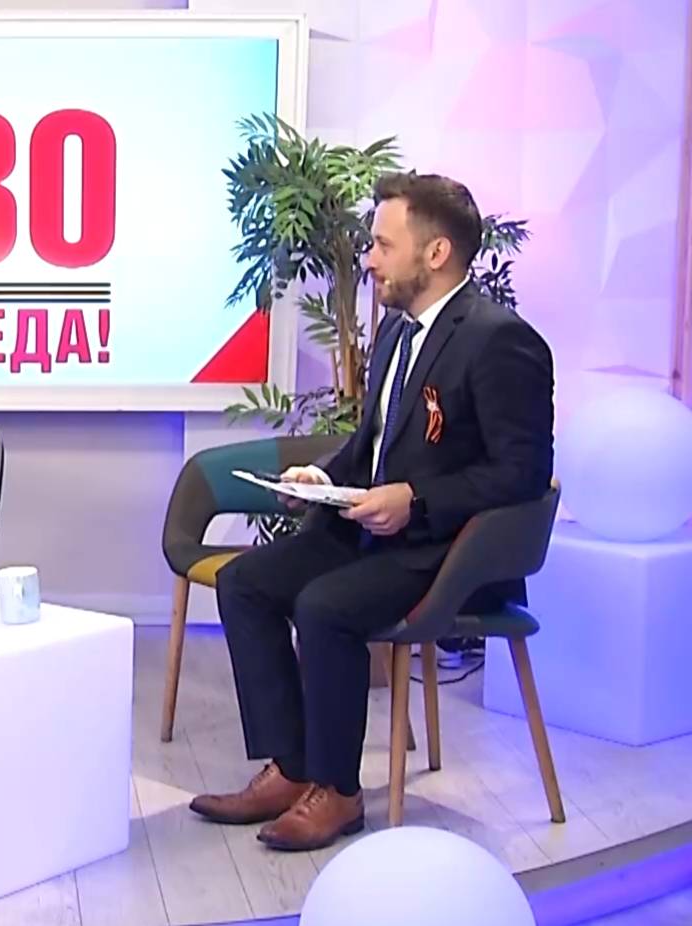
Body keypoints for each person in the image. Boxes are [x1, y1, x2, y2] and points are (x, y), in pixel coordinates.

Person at [191, 173, 554, 851]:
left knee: (325, 606)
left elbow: (521, 474)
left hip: (447, 551)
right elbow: (371, 444)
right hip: (373, 532)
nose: (367, 258)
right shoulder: (394, 331)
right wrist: (323, 480)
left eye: (384, 245)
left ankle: (338, 792)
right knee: (245, 583)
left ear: (435, 252)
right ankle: (292, 767)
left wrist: (416, 501)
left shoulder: (500, 341)